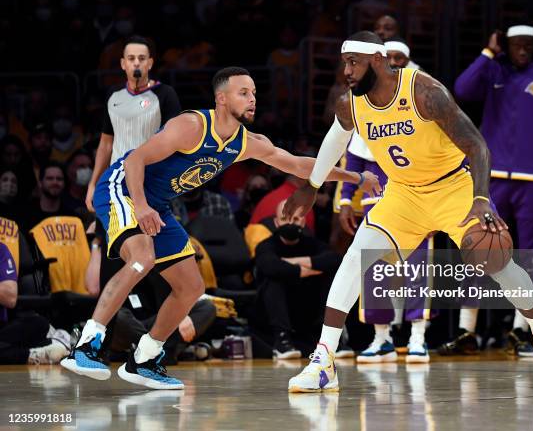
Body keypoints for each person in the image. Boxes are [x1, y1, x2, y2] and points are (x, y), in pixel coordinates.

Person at [285, 31, 533, 393]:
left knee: (497, 260)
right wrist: (311, 186)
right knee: (355, 259)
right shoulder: (351, 104)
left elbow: (476, 145)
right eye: (345, 62)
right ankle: (324, 359)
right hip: (404, 194)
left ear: (376, 60)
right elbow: (335, 138)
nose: (346, 70)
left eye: (353, 62)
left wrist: (481, 198)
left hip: (453, 186)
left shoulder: (424, 92)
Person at [61, 67, 379, 389]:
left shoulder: (245, 142)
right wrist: (141, 207)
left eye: (254, 93)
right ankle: (87, 345)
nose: (253, 99)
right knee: (141, 257)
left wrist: (357, 178)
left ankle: (144, 358)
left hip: (157, 202)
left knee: (191, 287)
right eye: (244, 93)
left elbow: (299, 164)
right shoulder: (191, 126)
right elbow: (134, 161)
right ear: (222, 98)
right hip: (125, 188)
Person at [454, 25, 533, 355]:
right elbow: (462, 88)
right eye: (517, 45)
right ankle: (466, 330)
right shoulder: (493, 69)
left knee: (530, 253)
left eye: (529, 45)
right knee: (479, 246)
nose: (524, 50)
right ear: (507, 45)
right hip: (493, 177)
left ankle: (523, 330)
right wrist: (488, 53)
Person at [85, 35, 181, 362]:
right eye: (131, 58)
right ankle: (100, 345)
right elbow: (104, 145)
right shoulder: (113, 99)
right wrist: (92, 184)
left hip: (150, 189)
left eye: (143, 58)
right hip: (115, 191)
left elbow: (176, 141)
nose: (137, 63)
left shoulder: (164, 96)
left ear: (151, 62)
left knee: (159, 266)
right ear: (123, 64)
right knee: (116, 263)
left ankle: (157, 349)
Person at [339, 38, 430, 364]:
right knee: (375, 271)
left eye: (400, 58)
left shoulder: (421, 98)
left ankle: (418, 337)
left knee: (418, 269)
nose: (394, 62)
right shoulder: (365, 102)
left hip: (415, 201)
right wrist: (345, 201)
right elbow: (354, 160)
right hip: (377, 203)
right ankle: (382, 339)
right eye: (388, 57)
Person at [255, 200, 342, 359]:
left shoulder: (313, 243)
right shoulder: (266, 245)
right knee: (272, 279)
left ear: (303, 221)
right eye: (285, 219)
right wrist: (308, 269)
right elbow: (269, 265)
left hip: (308, 307)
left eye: (295, 219)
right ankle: (282, 341)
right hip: (275, 311)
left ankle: (332, 337)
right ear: (276, 222)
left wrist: (294, 262)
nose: (290, 223)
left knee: (331, 277)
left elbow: (334, 259)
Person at [0, 241, 69, 365]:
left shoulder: (1, 249)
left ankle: (43, 348)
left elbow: (10, 298)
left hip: (2, 328)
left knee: (39, 324)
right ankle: (33, 354)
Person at [27, 162, 75, 230]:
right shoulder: (26, 214)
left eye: (59, 179)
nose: (55, 182)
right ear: (40, 183)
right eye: (50, 178)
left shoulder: (72, 218)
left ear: (64, 184)